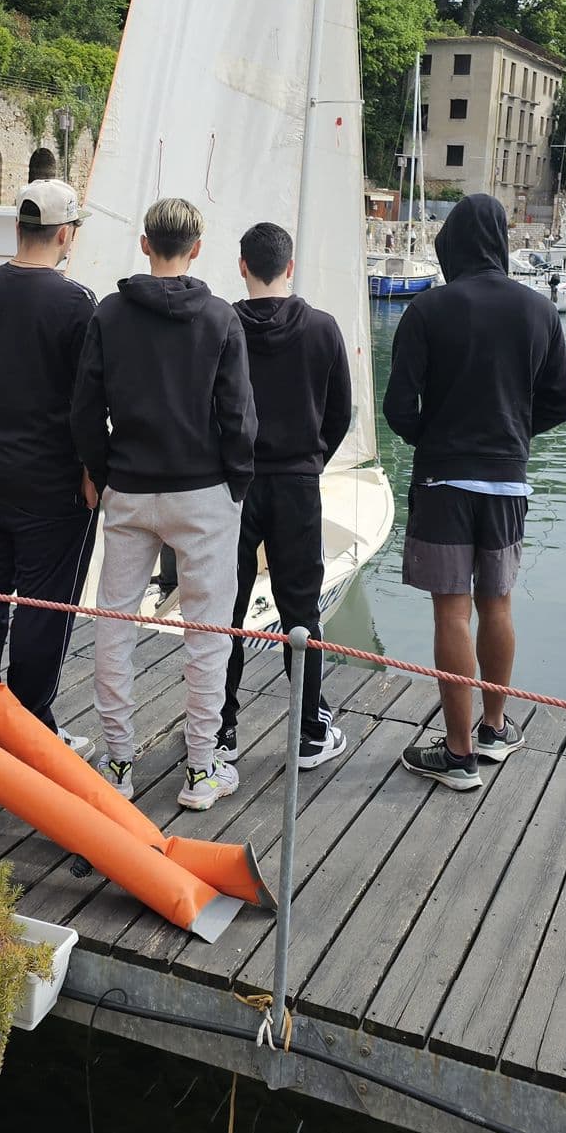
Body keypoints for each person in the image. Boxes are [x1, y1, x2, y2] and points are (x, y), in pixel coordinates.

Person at [383, 192, 566, 791]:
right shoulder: (539, 310)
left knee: (452, 611)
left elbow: (398, 408)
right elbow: (559, 403)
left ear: (451, 246)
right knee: (498, 603)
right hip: (507, 479)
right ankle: (494, 728)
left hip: (444, 480)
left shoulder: (428, 310)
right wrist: (513, 434)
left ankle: (459, 755)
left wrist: (434, 438)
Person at [71, 196, 256, 810]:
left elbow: (84, 409)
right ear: (197, 248)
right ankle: (202, 769)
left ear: (144, 243)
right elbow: (238, 417)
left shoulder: (110, 315)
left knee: (114, 623)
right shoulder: (221, 318)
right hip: (203, 493)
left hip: (129, 486)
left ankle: (119, 760)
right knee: (206, 632)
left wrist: (101, 470)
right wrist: (236, 482)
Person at [0, 181, 97, 751]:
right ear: (65, 234)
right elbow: (87, 403)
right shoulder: (76, 303)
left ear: (18, 229)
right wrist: (91, 471)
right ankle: (32, 723)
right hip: (50, 481)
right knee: (43, 605)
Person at [218, 221, 352, 769]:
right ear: (290, 267)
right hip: (298, 483)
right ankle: (310, 730)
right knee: (302, 611)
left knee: (224, 608)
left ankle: (219, 727)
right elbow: (340, 411)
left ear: (242, 266)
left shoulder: (221, 326)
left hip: (236, 483)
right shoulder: (322, 328)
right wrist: (313, 456)